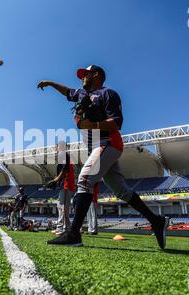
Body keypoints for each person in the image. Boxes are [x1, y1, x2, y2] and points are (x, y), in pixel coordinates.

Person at [37, 65, 170, 249]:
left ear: (96, 75)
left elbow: (116, 123)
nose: (82, 77)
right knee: (121, 191)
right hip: (97, 147)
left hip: (108, 143)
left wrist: (91, 124)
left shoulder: (108, 93)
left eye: (86, 74)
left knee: (84, 180)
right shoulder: (82, 94)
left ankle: (73, 234)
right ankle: (157, 221)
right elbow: (67, 92)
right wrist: (50, 83)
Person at [51, 141, 76, 235]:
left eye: (57, 146)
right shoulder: (62, 155)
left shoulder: (63, 154)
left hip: (66, 183)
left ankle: (65, 229)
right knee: (60, 205)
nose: (56, 148)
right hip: (63, 184)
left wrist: (56, 179)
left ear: (60, 146)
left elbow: (65, 168)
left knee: (63, 207)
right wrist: (56, 180)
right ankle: (61, 227)